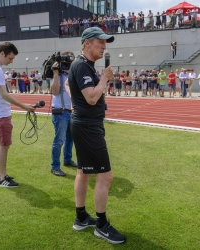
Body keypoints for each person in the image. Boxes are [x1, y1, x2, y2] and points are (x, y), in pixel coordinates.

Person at [68, 27, 126, 244]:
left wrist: (100, 99)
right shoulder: (82, 65)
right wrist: (104, 80)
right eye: (100, 42)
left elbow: (84, 95)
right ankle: (101, 226)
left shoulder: (84, 65)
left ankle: (81, 217)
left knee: (83, 172)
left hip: (85, 124)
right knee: (106, 176)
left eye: (105, 43)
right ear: (87, 43)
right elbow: (91, 97)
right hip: (87, 127)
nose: (104, 46)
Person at [0, 41, 35, 187]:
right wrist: (24, 106)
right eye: (10, 58)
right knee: (4, 145)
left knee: (1, 144)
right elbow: (4, 95)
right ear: (2, 54)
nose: (11, 61)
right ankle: (2, 178)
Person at [50, 51, 78, 177]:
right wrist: (56, 74)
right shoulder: (57, 75)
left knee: (70, 138)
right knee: (59, 140)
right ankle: (55, 167)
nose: (69, 65)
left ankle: (67, 159)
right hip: (60, 112)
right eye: (67, 63)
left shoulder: (73, 75)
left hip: (71, 112)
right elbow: (55, 92)